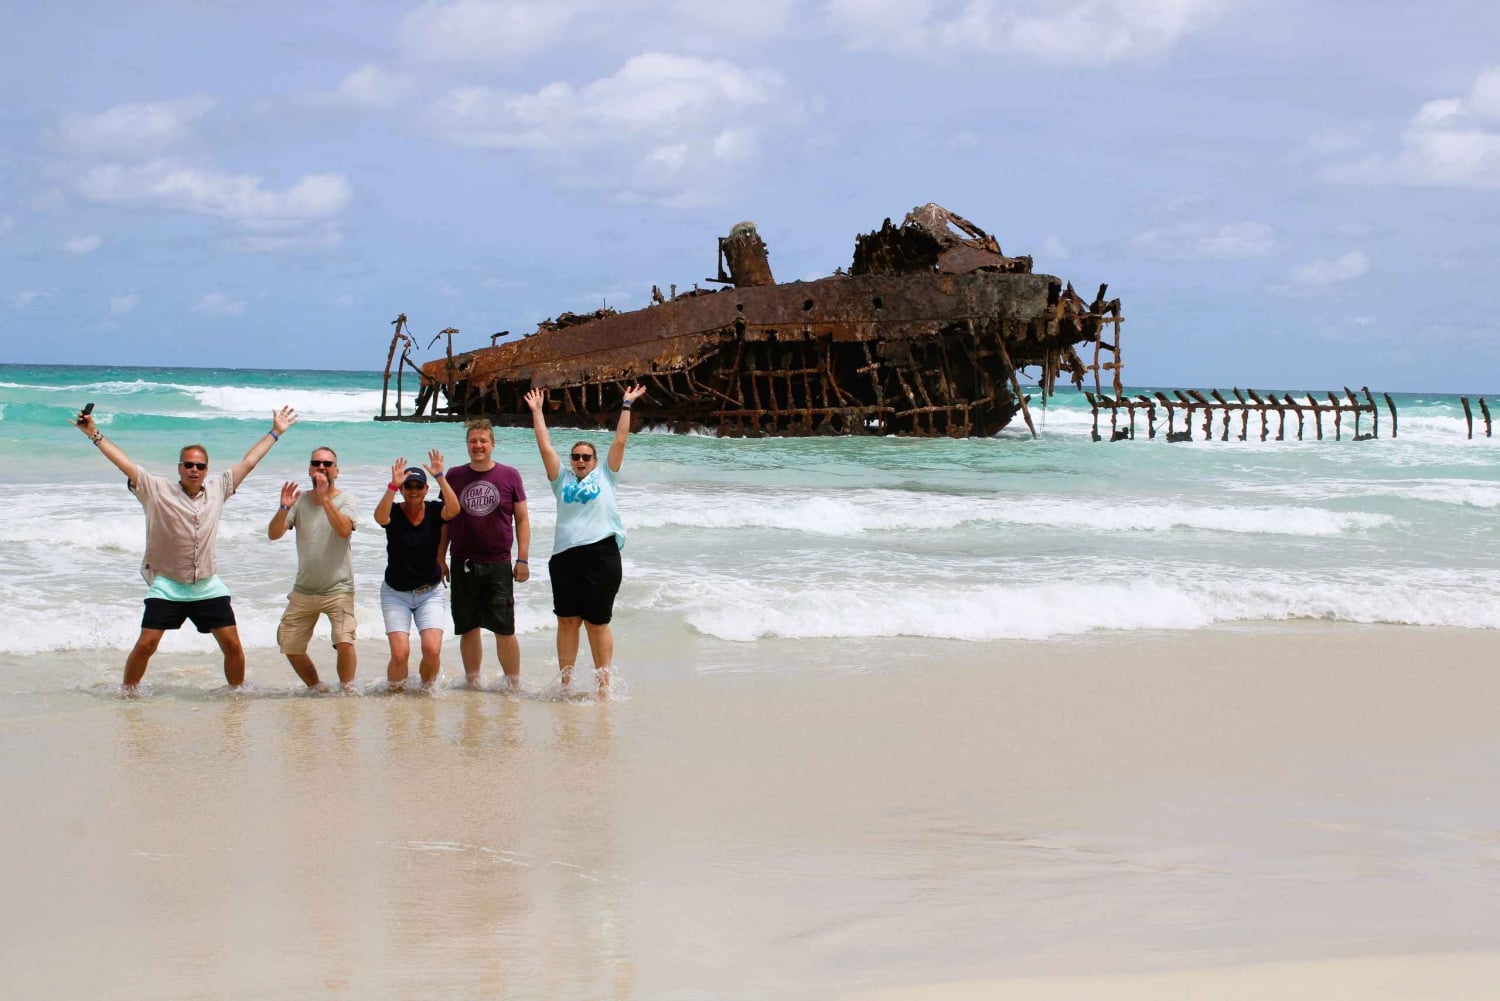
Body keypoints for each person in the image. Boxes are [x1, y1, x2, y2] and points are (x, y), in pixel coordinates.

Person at [72, 406, 298, 693]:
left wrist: (276, 431)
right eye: (189, 465)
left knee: (232, 645)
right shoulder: (156, 490)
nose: (194, 470)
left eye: (200, 466)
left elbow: (249, 462)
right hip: (168, 585)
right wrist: (93, 433)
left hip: (206, 585)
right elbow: (124, 463)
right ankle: (128, 694)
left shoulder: (219, 489)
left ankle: (237, 694)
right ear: (179, 468)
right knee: (146, 645)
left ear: (206, 471)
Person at [523, 384, 646, 697]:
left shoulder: (606, 475)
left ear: (594, 460)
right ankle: (566, 685)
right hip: (564, 557)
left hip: (601, 555)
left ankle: (603, 686)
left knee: (596, 622)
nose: (580, 461)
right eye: (576, 457)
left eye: (586, 457)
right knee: (567, 621)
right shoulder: (561, 480)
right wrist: (537, 412)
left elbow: (620, 440)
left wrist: (627, 404)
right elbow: (544, 446)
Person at [439, 418, 530, 689]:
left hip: (498, 563)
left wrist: (522, 558)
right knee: (468, 627)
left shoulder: (510, 475)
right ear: (467, 445)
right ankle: (473, 682)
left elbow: (522, 519)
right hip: (462, 561)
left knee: (504, 628)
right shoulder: (454, 475)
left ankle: (513, 684)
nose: (478, 445)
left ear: (492, 444)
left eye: (483, 441)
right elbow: (445, 521)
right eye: (473, 441)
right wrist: (440, 557)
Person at [268, 446, 358, 692]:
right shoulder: (299, 500)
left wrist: (325, 498)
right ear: (309, 469)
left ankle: (347, 692)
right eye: (316, 463)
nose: (321, 467)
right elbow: (273, 534)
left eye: (327, 464)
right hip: (304, 588)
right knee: (289, 644)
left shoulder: (346, 499)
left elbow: (344, 530)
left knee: (344, 641)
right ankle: (317, 688)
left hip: (338, 587)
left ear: (336, 471)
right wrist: (284, 508)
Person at [373, 451, 460, 691]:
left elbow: (454, 510)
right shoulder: (393, 512)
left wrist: (440, 476)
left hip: (429, 592)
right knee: (400, 654)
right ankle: (395, 694)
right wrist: (392, 486)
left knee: (432, 650)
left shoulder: (434, 510)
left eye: (418, 486)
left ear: (425, 489)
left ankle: (426, 692)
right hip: (395, 593)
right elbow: (379, 517)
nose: (413, 490)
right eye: (408, 486)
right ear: (402, 490)